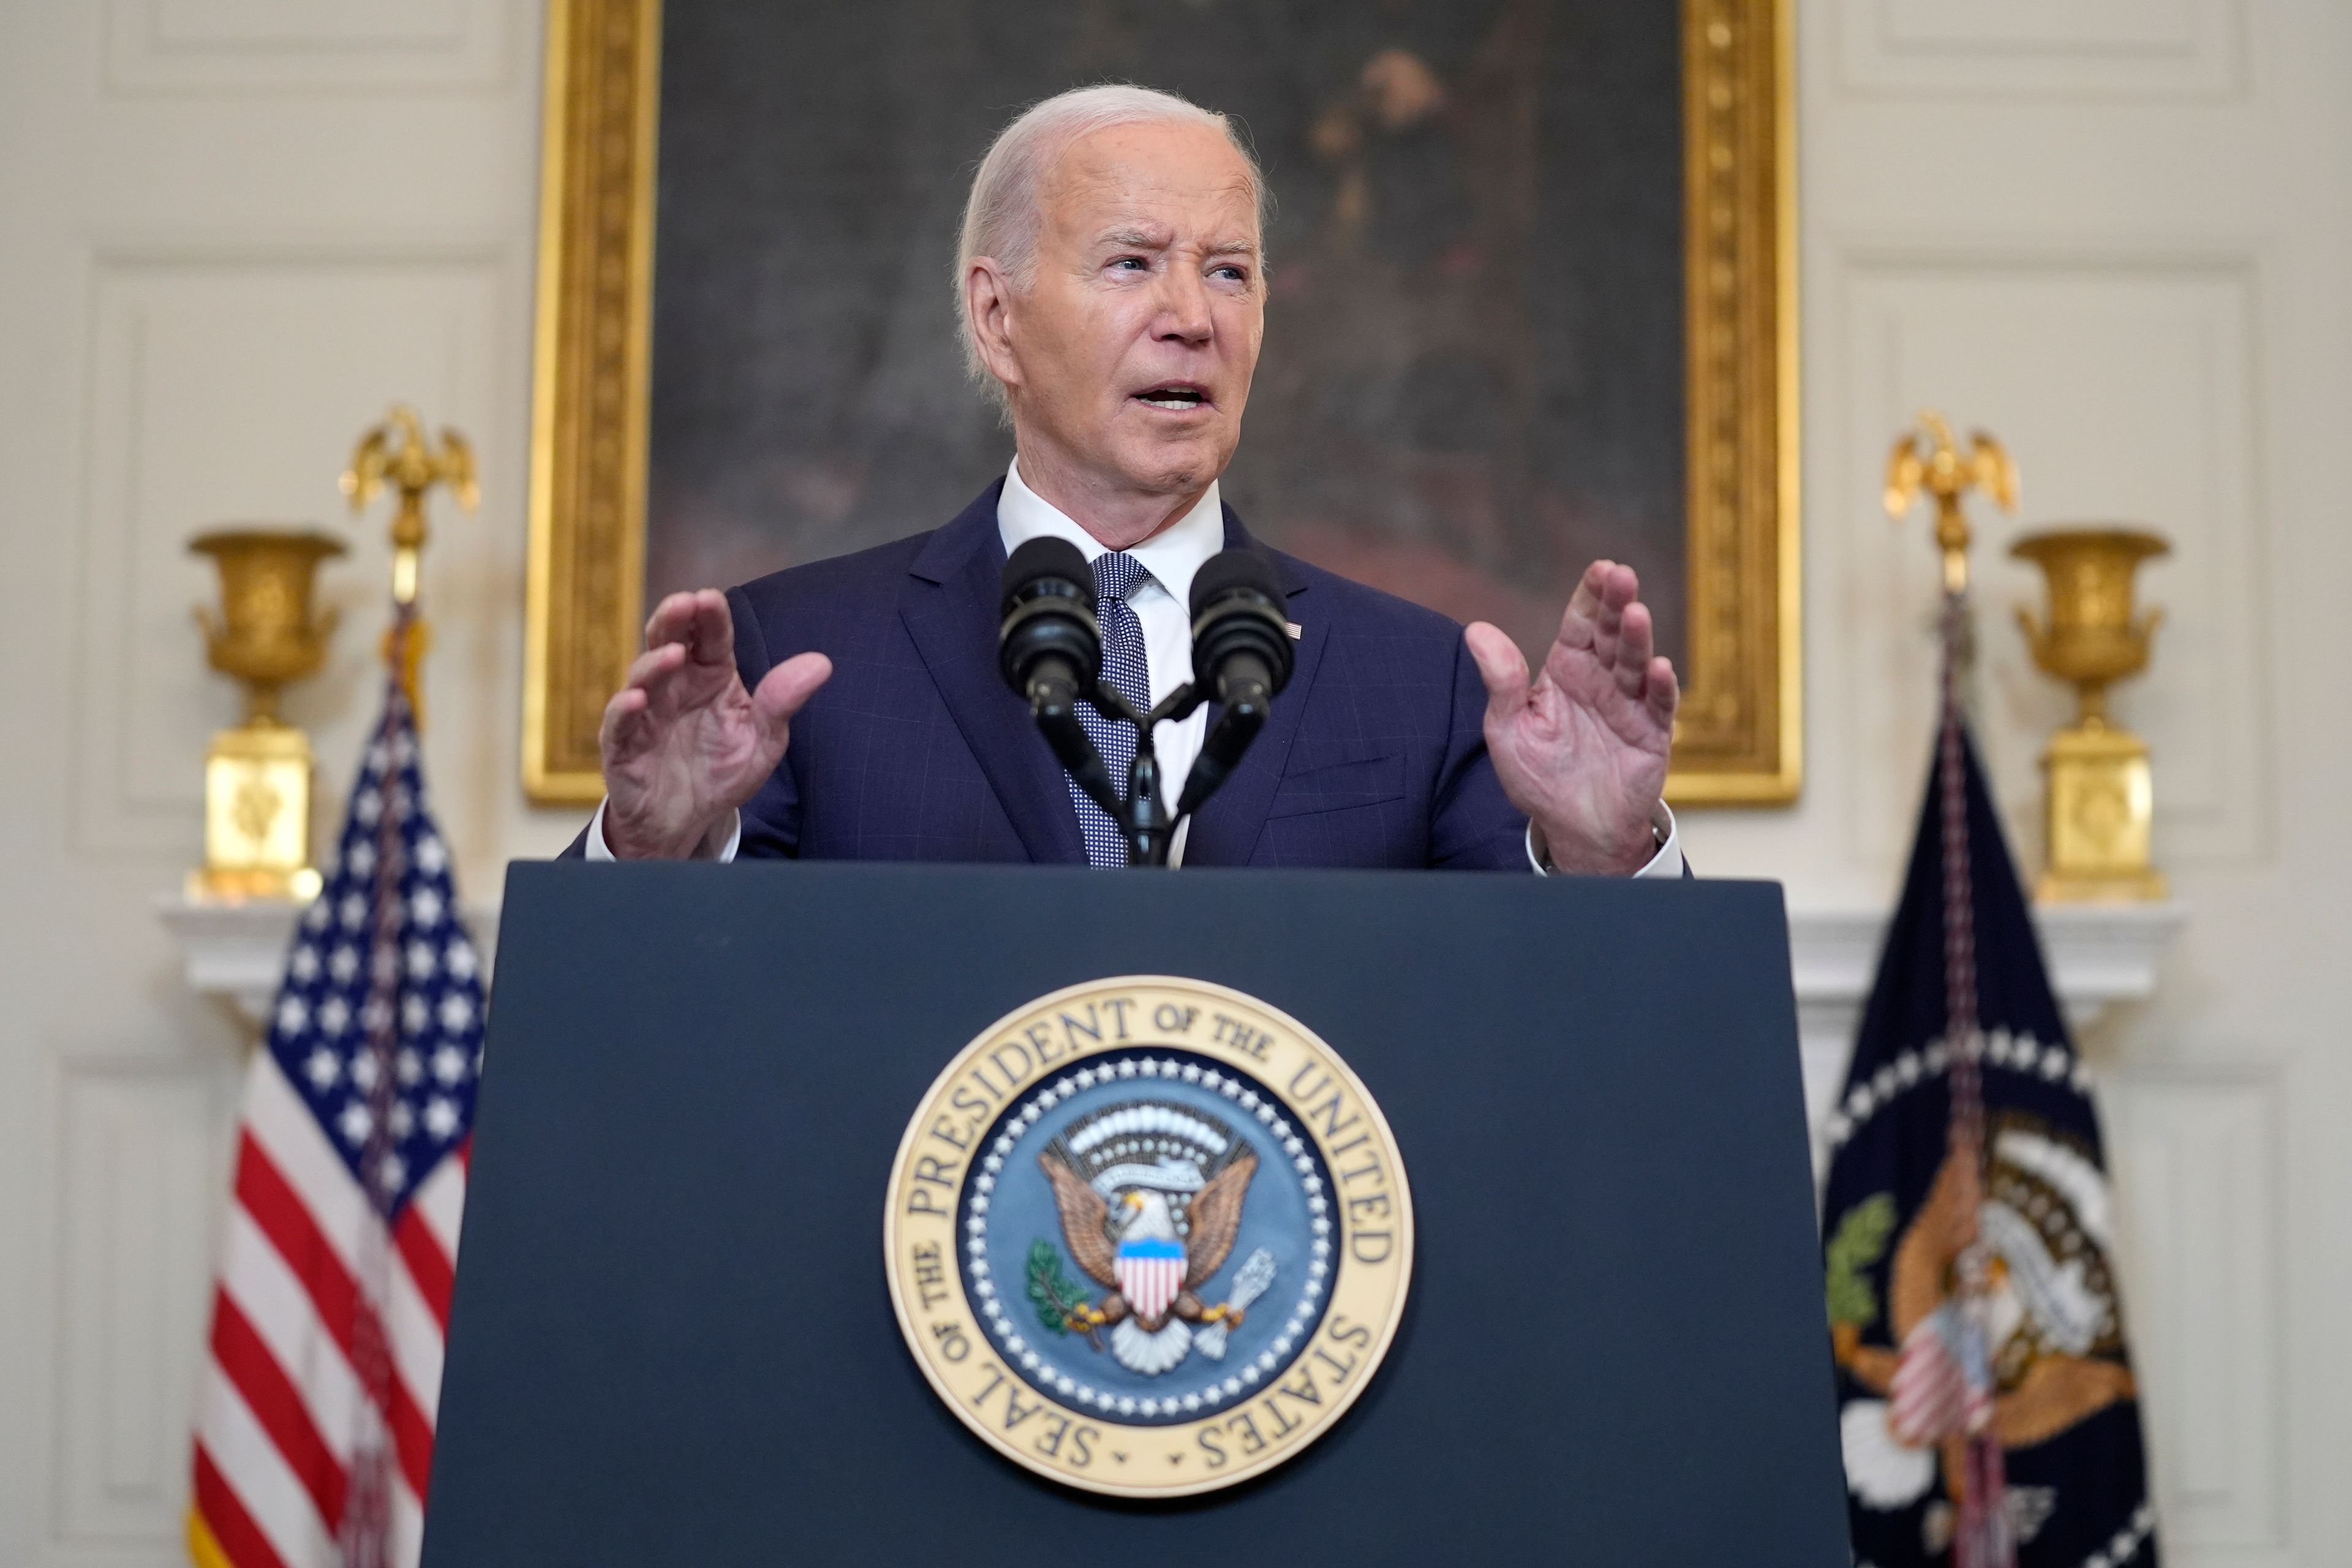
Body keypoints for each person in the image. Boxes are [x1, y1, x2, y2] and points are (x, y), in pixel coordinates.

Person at [574, 84, 1683, 876]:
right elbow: (665, 1056)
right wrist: (653, 852)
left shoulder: (1419, 681)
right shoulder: (802, 662)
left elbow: (1546, 1046)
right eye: (1134, 263)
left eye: (1230, 272)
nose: (1193, 318)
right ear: (996, 317)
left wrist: (1602, 855)